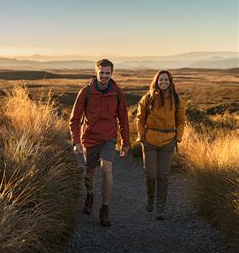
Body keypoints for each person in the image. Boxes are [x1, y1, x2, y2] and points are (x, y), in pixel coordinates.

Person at [70, 59, 130, 227]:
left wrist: (125, 141)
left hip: (109, 138)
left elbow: (123, 119)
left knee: (107, 169)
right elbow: (74, 120)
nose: (104, 76)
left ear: (112, 74)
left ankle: (105, 208)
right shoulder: (86, 92)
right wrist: (76, 142)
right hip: (89, 139)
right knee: (90, 175)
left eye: (107, 73)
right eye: (101, 73)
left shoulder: (117, 92)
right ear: (96, 72)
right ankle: (90, 195)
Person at [136, 70, 186, 220]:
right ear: (156, 81)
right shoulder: (148, 98)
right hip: (150, 141)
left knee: (163, 176)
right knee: (151, 175)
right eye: (161, 80)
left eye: (166, 80)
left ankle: (160, 207)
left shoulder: (177, 100)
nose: (163, 82)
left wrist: (178, 138)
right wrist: (141, 137)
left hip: (168, 142)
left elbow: (181, 121)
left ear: (170, 82)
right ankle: (150, 199)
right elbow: (140, 119)